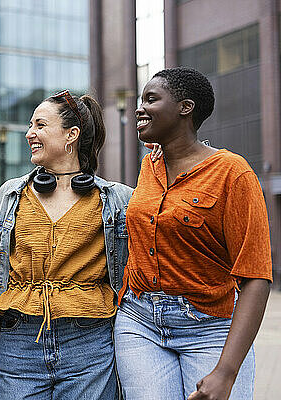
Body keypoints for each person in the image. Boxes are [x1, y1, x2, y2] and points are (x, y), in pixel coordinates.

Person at [114, 67, 272, 400]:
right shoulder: (149, 165)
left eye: (151, 99)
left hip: (210, 327)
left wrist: (226, 373)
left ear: (185, 108)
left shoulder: (232, 173)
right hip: (139, 321)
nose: (139, 108)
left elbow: (256, 276)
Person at [0, 90, 133, 399]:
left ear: (71, 135)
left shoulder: (119, 200)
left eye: (40, 125)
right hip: (18, 341)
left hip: (89, 341)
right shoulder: (9, 195)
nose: (30, 133)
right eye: (31, 125)